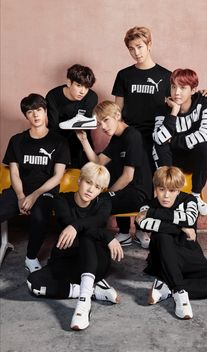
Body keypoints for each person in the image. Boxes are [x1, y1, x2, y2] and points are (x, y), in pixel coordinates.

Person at [27, 161, 123, 331]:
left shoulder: (104, 202)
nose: (91, 190)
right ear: (79, 180)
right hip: (67, 258)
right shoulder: (62, 199)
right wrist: (107, 236)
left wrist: (76, 227)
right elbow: (71, 221)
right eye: (88, 182)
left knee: (86, 238)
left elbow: (96, 222)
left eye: (97, 187)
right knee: (33, 283)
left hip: (96, 261)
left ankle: (84, 304)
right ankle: (93, 290)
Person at [136, 166, 207, 320]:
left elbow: (190, 219)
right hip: (162, 260)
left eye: (172, 190)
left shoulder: (189, 200)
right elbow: (143, 224)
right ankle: (180, 292)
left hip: (189, 257)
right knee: (163, 235)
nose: (166, 196)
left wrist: (154, 214)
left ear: (179, 190)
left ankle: (169, 289)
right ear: (155, 187)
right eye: (161, 189)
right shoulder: (147, 204)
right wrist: (181, 226)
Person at [0, 93, 70, 272]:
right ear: (26, 116)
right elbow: (14, 173)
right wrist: (21, 195)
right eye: (30, 112)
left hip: (45, 191)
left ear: (46, 112)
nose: (36, 115)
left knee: (40, 216)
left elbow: (57, 176)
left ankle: (30, 258)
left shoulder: (59, 141)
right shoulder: (17, 140)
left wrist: (34, 195)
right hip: (21, 190)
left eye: (39, 110)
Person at [76, 101, 152, 249]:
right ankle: (116, 235)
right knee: (96, 198)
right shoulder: (117, 138)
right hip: (127, 191)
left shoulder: (132, 136)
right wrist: (84, 141)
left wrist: (107, 193)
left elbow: (128, 176)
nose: (103, 127)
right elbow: (98, 162)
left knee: (99, 202)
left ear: (117, 115)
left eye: (106, 120)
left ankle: (91, 242)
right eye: (99, 123)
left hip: (139, 194)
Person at [152, 68, 207, 215]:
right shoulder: (163, 108)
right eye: (174, 87)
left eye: (183, 88)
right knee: (159, 146)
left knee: (204, 147)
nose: (177, 92)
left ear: (193, 90)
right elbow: (159, 139)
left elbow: (205, 133)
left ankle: (195, 196)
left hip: (192, 158)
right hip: (170, 160)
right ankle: (171, 195)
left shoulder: (203, 102)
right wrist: (174, 111)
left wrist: (172, 141)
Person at [112, 26, 172, 172]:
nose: (136, 53)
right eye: (131, 49)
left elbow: (177, 103)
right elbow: (117, 111)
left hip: (155, 134)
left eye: (139, 47)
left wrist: (201, 96)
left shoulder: (166, 76)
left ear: (149, 45)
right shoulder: (124, 75)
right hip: (131, 132)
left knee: (157, 173)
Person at [46, 64, 98, 168]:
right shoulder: (53, 96)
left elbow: (85, 127)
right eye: (79, 85)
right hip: (58, 140)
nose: (83, 91)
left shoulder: (91, 97)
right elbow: (53, 128)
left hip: (81, 140)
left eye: (86, 87)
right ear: (69, 82)